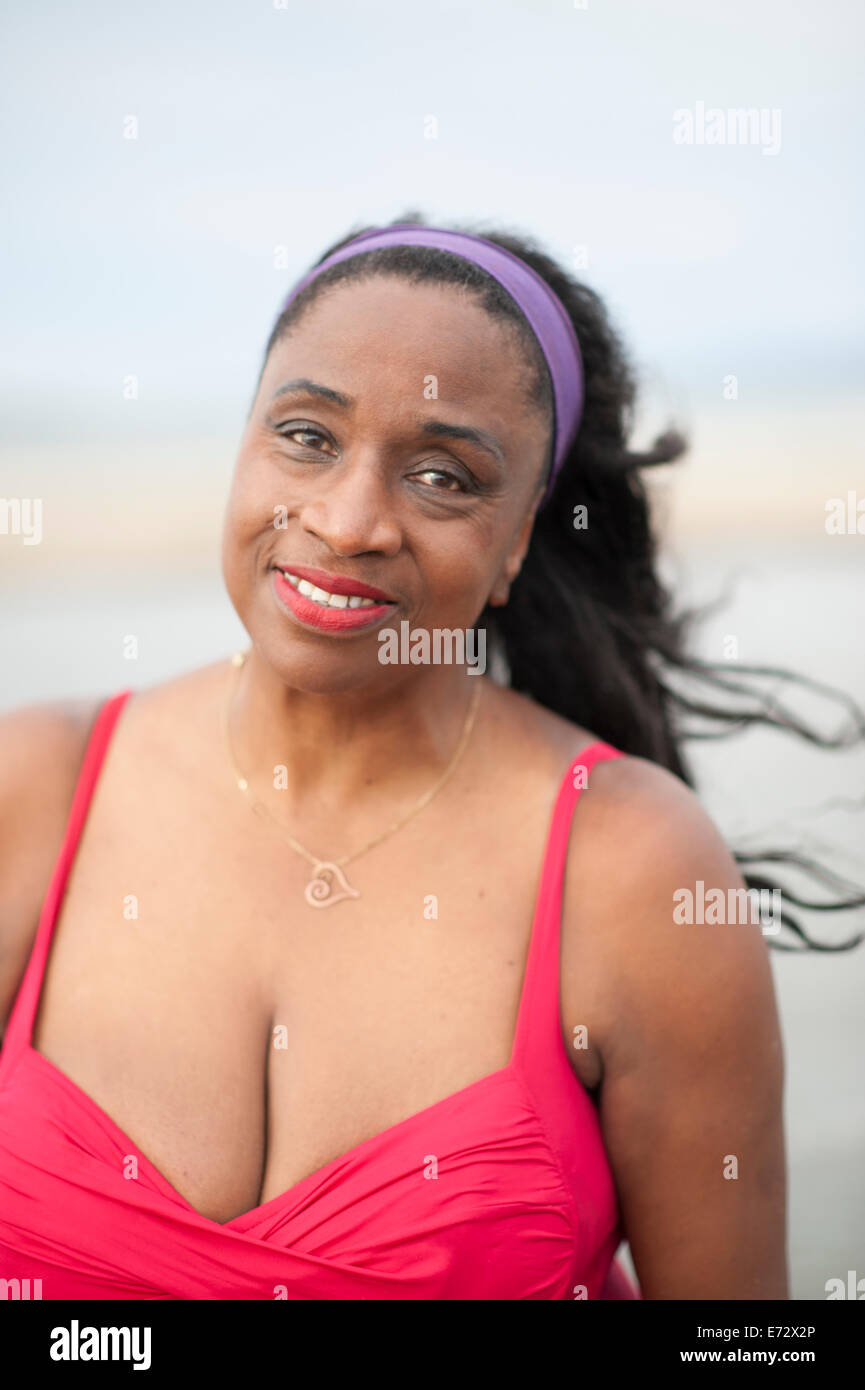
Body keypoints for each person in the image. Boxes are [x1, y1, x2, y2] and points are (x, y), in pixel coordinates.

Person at [7, 210, 849, 1301]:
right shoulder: (31, 790)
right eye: (306, 435)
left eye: (444, 476)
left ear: (518, 541)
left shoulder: (636, 872)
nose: (348, 520)